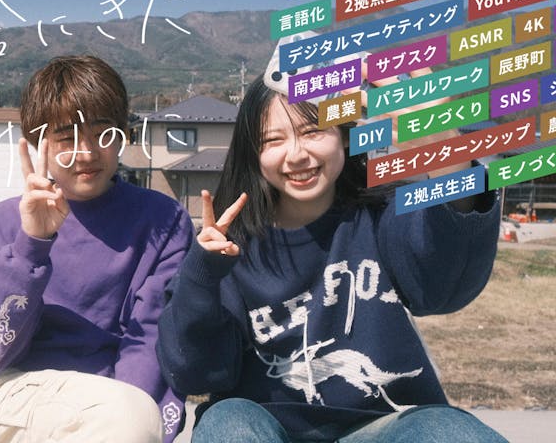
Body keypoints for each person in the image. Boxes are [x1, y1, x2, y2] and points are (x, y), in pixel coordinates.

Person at [157, 71, 507, 442]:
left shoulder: (382, 217)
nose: (297, 154)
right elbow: (196, 374)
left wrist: (448, 158)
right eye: (273, 140)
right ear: (253, 155)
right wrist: (202, 275)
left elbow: (444, 290)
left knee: (446, 428)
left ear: (344, 136)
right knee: (228, 419)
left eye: (313, 131)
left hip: (381, 427)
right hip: (265, 427)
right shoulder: (229, 248)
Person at [0, 55, 192, 442]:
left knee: (131, 414)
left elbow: (151, 337)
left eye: (103, 132)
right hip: (16, 396)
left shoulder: (163, 220)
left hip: (117, 410)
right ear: (37, 145)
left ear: (123, 134)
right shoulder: (3, 222)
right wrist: (31, 245)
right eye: (67, 138)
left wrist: (128, 421)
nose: (87, 152)